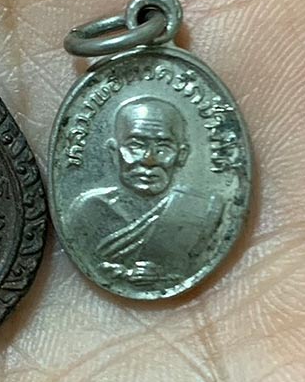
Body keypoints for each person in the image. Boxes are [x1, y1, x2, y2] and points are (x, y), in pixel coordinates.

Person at [68, 96, 222, 286]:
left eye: (163, 147)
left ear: (181, 155)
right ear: (114, 152)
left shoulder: (202, 210)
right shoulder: (90, 210)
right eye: (136, 146)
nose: (149, 159)